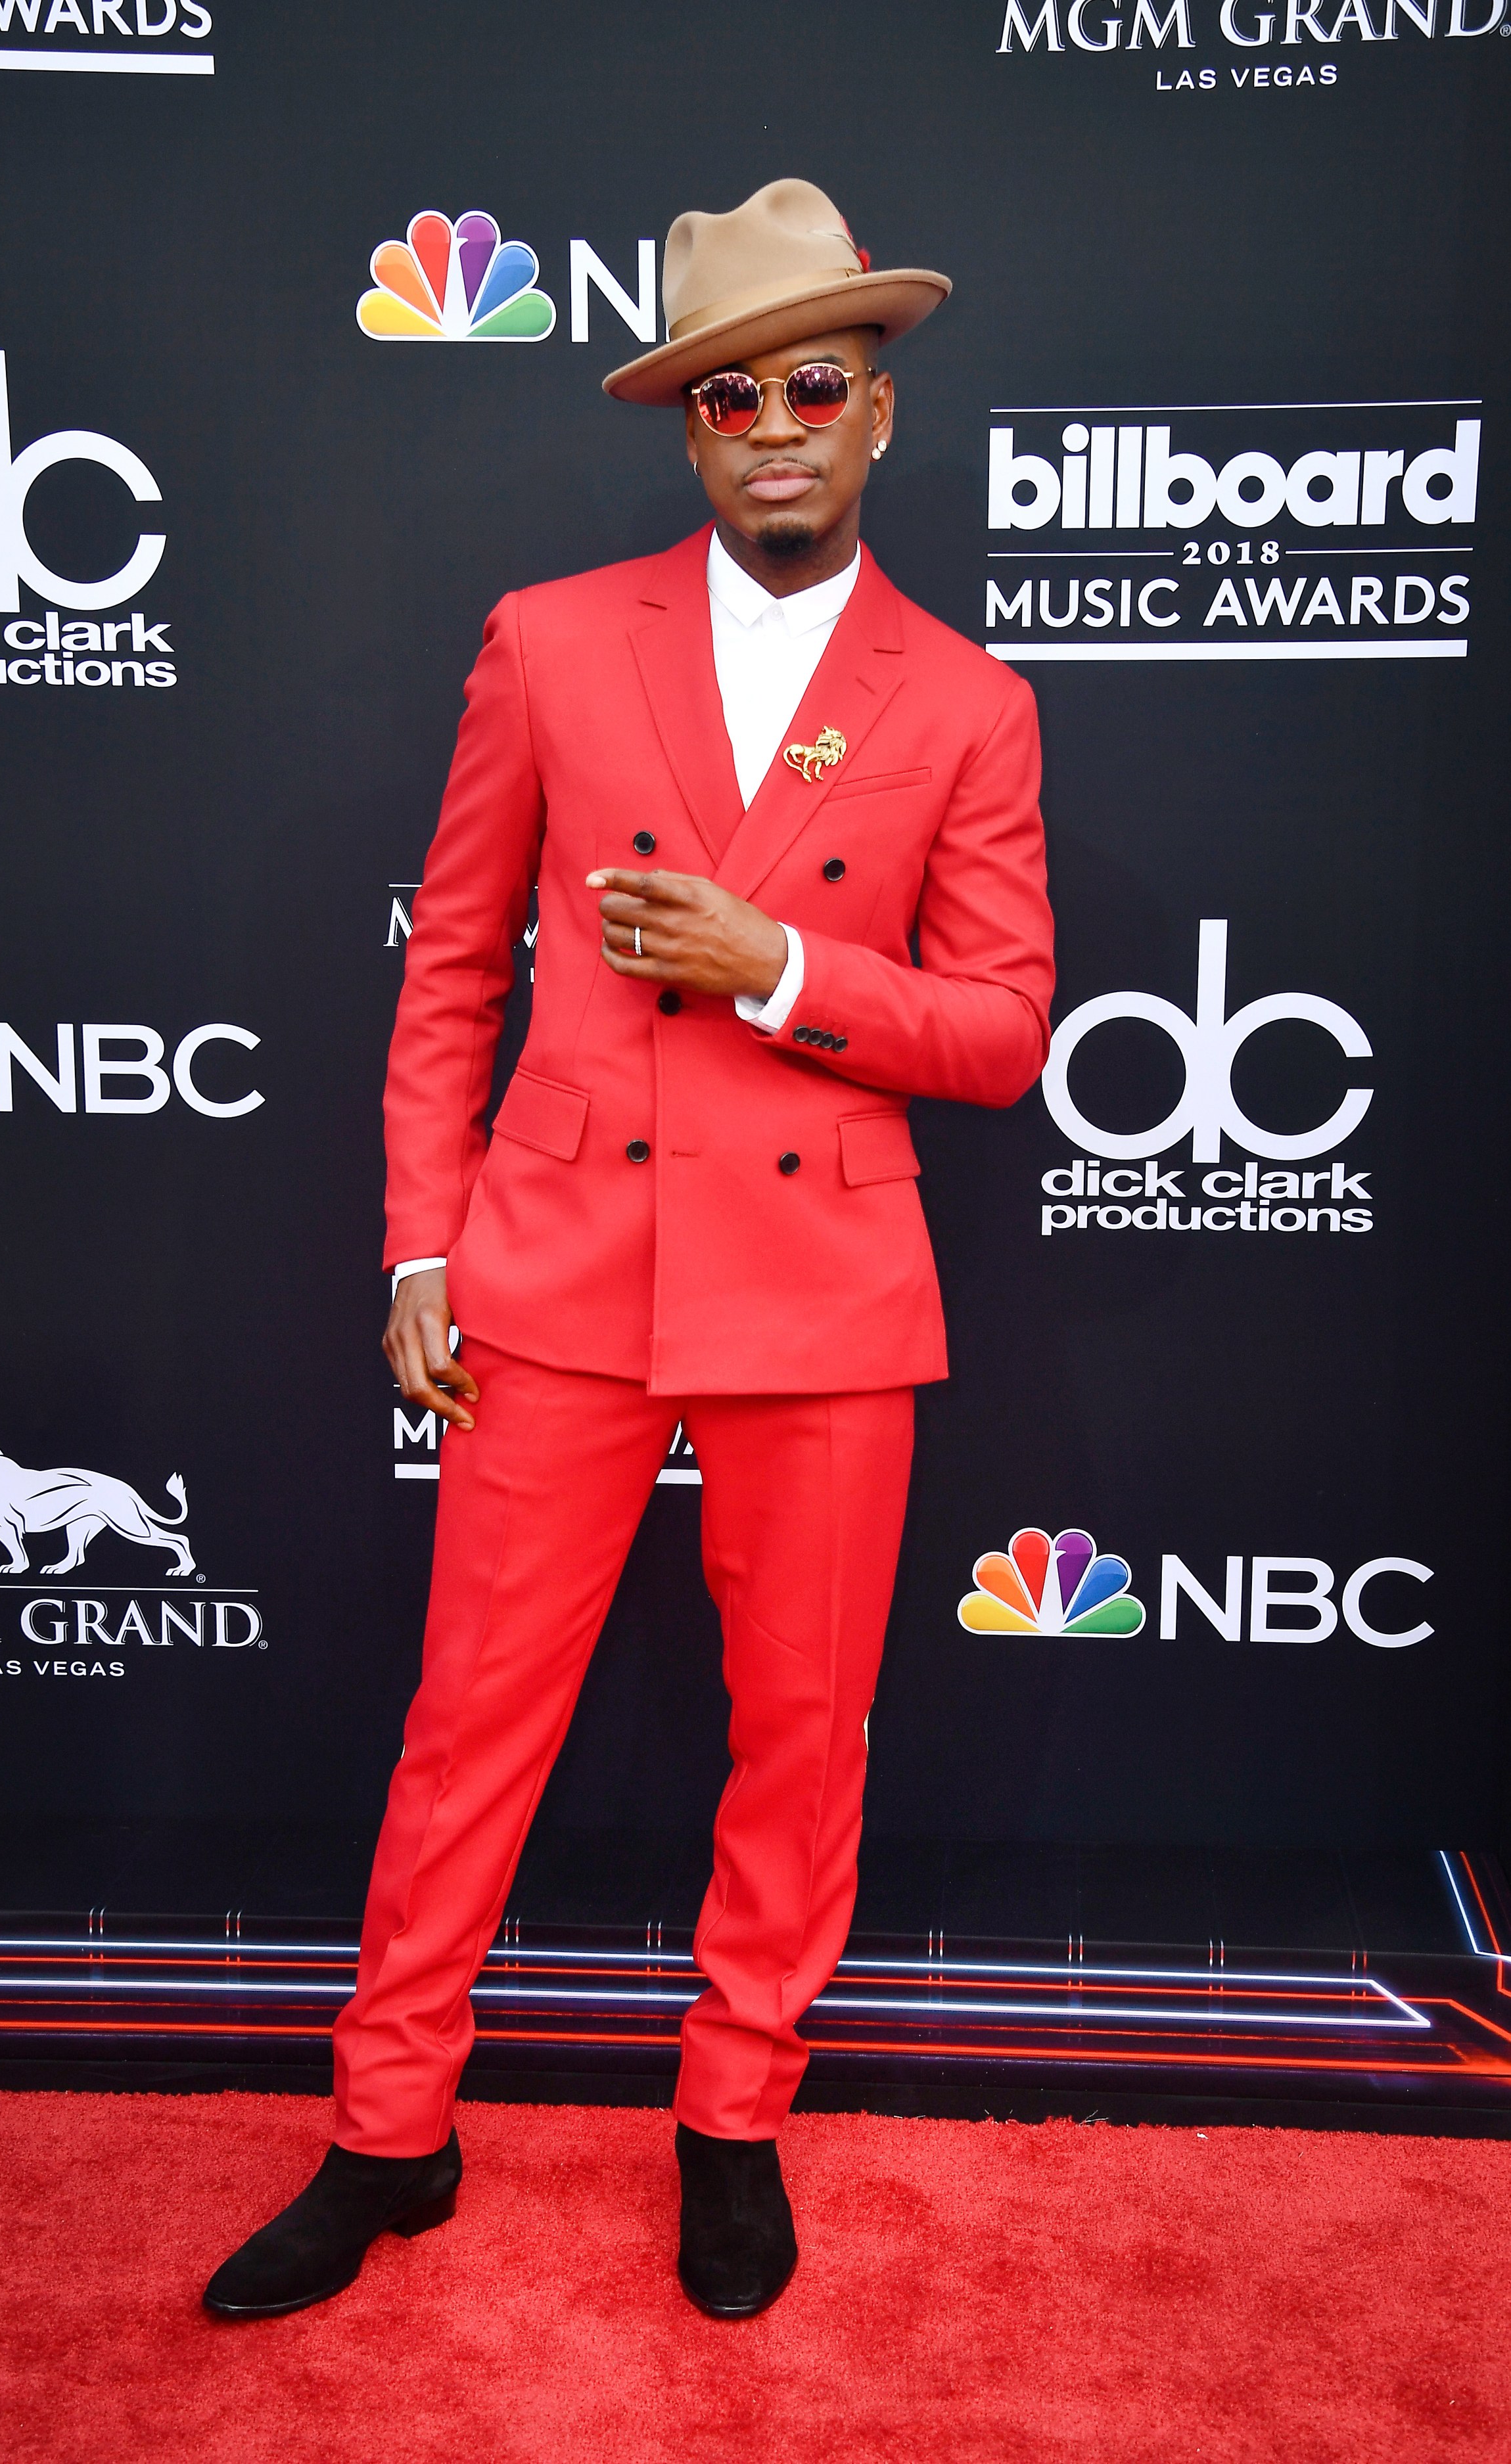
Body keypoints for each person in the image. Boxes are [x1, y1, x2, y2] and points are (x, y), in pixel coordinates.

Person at [205, 177, 1054, 2325]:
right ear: (688, 426)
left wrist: (782, 967)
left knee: (803, 1736)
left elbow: (1003, 1033)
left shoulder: (968, 700)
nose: (774, 427)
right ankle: (387, 2132)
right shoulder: (551, 639)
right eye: (729, 395)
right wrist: (418, 1248)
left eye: (814, 388)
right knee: (469, 1722)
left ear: (878, 414)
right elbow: (447, 973)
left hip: (824, 1291)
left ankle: (732, 2117)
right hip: (557, 1267)